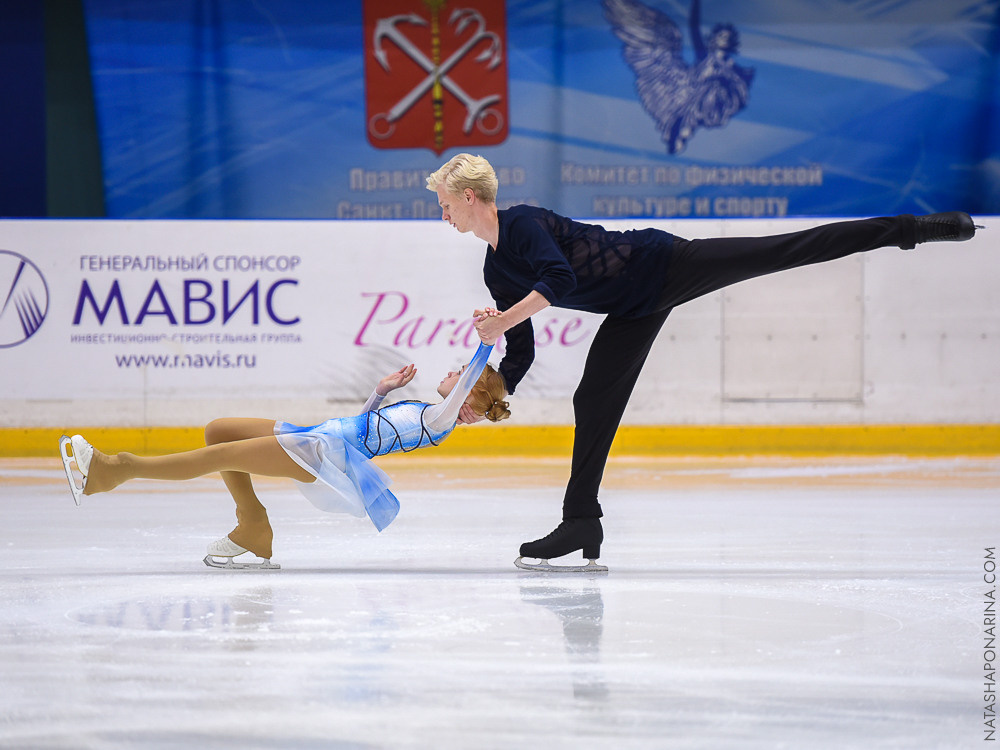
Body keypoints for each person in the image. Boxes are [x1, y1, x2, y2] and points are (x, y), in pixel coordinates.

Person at [425, 152, 980, 571]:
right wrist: (490, 397)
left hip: (661, 265)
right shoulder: (496, 274)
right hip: (630, 309)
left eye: (446, 204)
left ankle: (915, 229)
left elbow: (560, 279)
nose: (444, 214)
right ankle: (581, 522)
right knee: (592, 397)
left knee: (784, 249)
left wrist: (499, 321)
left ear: (471, 197)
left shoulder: (522, 224)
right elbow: (520, 349)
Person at [59, 340, 510, 569]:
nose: (451, 372)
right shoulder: (429, 412)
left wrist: (487, 339)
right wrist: (380, 391)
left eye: (461, 375)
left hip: (322, 452)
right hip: (321, 435)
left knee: (218, 457)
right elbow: (369, 430)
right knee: (219, 431)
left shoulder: (442, 419)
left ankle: (111, 471)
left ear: (468, 397)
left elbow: (468, 372)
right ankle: (252, 525)